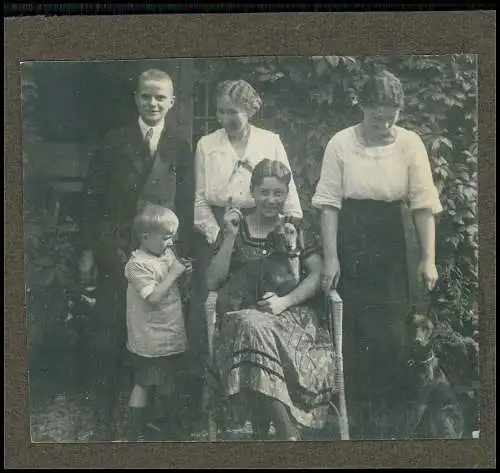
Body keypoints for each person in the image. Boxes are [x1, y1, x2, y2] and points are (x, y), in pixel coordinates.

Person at [311, 68, 443, 439]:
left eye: (391, 116)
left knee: (397, 330)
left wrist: (428, 257)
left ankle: (396, 427)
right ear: (362, 108)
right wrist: (332, 257)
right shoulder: (340, 143)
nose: (383, 123)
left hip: (396, 240)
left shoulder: (410, 143)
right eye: (375, 115)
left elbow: (423, 204)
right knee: (356, 330)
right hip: (353, 240)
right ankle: (359, 426)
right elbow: (328, 205)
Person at [78, 68, 195, 440]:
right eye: (146, 95)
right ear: (136, 98)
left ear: (172, 102)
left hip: (160, 255)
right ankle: (104, 416)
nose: (153, 103)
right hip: (117, 251)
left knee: (158, 333)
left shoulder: (180, 147)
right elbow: (93, 201)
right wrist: (89, 252)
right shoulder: (114, 141)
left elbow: (188, 206)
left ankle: (156, 418)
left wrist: (181, 254)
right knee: (111, 331)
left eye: (161, 97)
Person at [188, 80, 303, 426]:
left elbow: (289, 197)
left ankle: (274, 401)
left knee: (269, 314)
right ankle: (220, 405)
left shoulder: (270, 142)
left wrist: (284, 234)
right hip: (223, 240)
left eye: (233, 111)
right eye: (221, 111)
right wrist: (222, 239)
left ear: (250, 109)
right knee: (208, 309)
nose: (226, 118)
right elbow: (199, 202)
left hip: (267, 239)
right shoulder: (207, 145)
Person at [206, 159, 336, 441]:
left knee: (256, 327)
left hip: (290, 318)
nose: (270, 199)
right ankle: (286, 430)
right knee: (252, 325)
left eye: (278, 193)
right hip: (241, 320)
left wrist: (285, 301)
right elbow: (212, 282)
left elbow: (317, 274)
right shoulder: (235, 228)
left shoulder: (295, 228)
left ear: (286, 194)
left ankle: (276, 430)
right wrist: (228, 237)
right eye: (264, 192)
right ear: (252, 191)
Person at [124, 205, 192, 441]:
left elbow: (172, 279)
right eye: (166, 237)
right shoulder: (136, 266)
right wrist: (174, 273)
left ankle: (160, 427)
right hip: (150, 340)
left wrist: (181, 272)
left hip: (166, 335)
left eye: (173, 236)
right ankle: (141, 431)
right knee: (147, 383)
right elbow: (152, 297)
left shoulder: (164, 255)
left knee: (160, 381)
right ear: (145, 237)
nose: (171, 242)